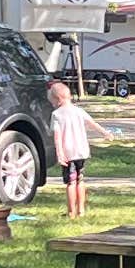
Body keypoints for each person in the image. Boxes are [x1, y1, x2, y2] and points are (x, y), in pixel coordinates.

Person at [48, 74, 96, 220]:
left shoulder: (57, 114)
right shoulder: (79, 111)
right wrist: (105, 133)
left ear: (57, 99)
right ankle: (81, 210)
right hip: (82, 151)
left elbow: (57, 136)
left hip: (68, 153)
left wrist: (59, 153)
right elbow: (92, 123)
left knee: (71, 182)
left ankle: (71, 212)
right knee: (80, 180)